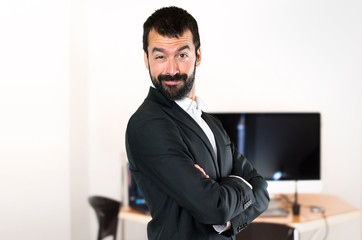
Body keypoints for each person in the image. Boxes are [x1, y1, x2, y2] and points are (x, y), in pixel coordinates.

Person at [125, 6, 269, 240]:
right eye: (160, 56)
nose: (171, 69)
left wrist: (225, 210)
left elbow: (262, 191)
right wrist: (241, 185)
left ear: (198, 56)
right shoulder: (148, 123)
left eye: (181, 55)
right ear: (146, 59)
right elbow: (214, 207)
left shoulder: (212, 123)